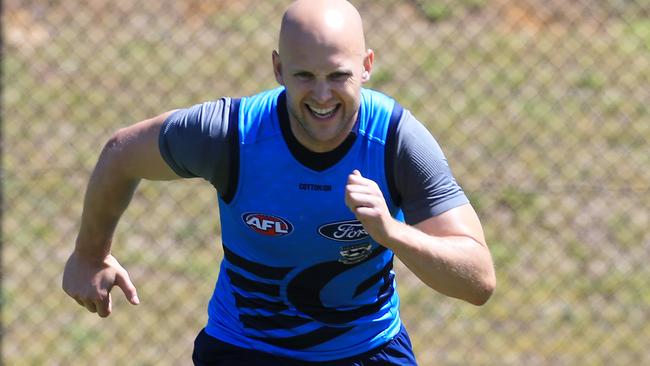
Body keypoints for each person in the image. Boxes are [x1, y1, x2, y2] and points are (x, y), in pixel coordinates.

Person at [62, 0, 496, 364]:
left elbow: (478, 281)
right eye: (305, 76)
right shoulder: (231, 135)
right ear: (278, 68)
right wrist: (88, 255)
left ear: (366, 67)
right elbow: (122, 154)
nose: (323, 96)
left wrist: (392, 232)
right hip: (244, 348)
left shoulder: (396, 142)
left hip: (367, 350)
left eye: (338, 76)